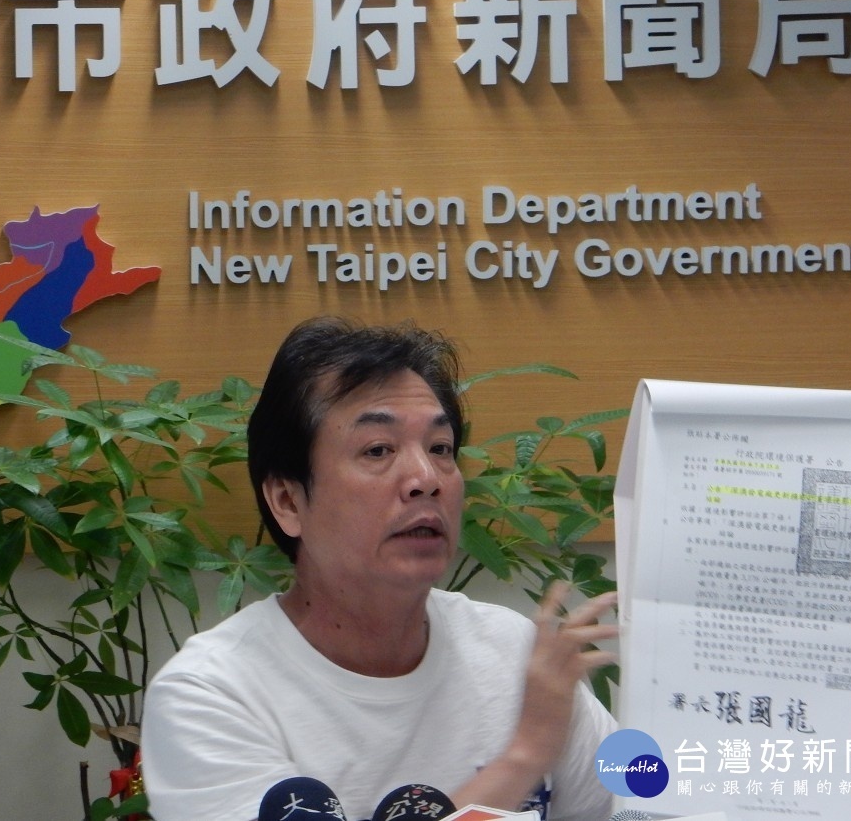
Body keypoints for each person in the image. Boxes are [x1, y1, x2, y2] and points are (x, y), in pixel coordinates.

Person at [140, 317, 618, 821]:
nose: (425, 478)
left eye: (440, 449)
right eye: (378, 450)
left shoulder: (515, 650)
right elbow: (535, 745)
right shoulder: (210, 694)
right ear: (288, 501)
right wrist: (524, 755)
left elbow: (647, 798)